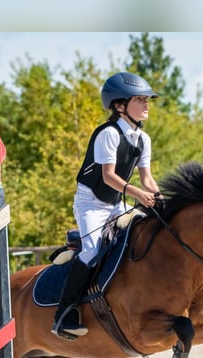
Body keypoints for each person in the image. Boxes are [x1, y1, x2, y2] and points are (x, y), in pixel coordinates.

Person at [51, 71, 161, 340]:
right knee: (91, 250)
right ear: (119, 105)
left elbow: (147, 178)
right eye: (140, 100)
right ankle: (65, 313)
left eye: (147, 100)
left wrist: (161, 198)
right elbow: (108, 176)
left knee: (137, 237)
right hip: (91, 203)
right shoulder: (108, 134)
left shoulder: (143, 139)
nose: (147, 104)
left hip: (115, 203)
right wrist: (137, 194)